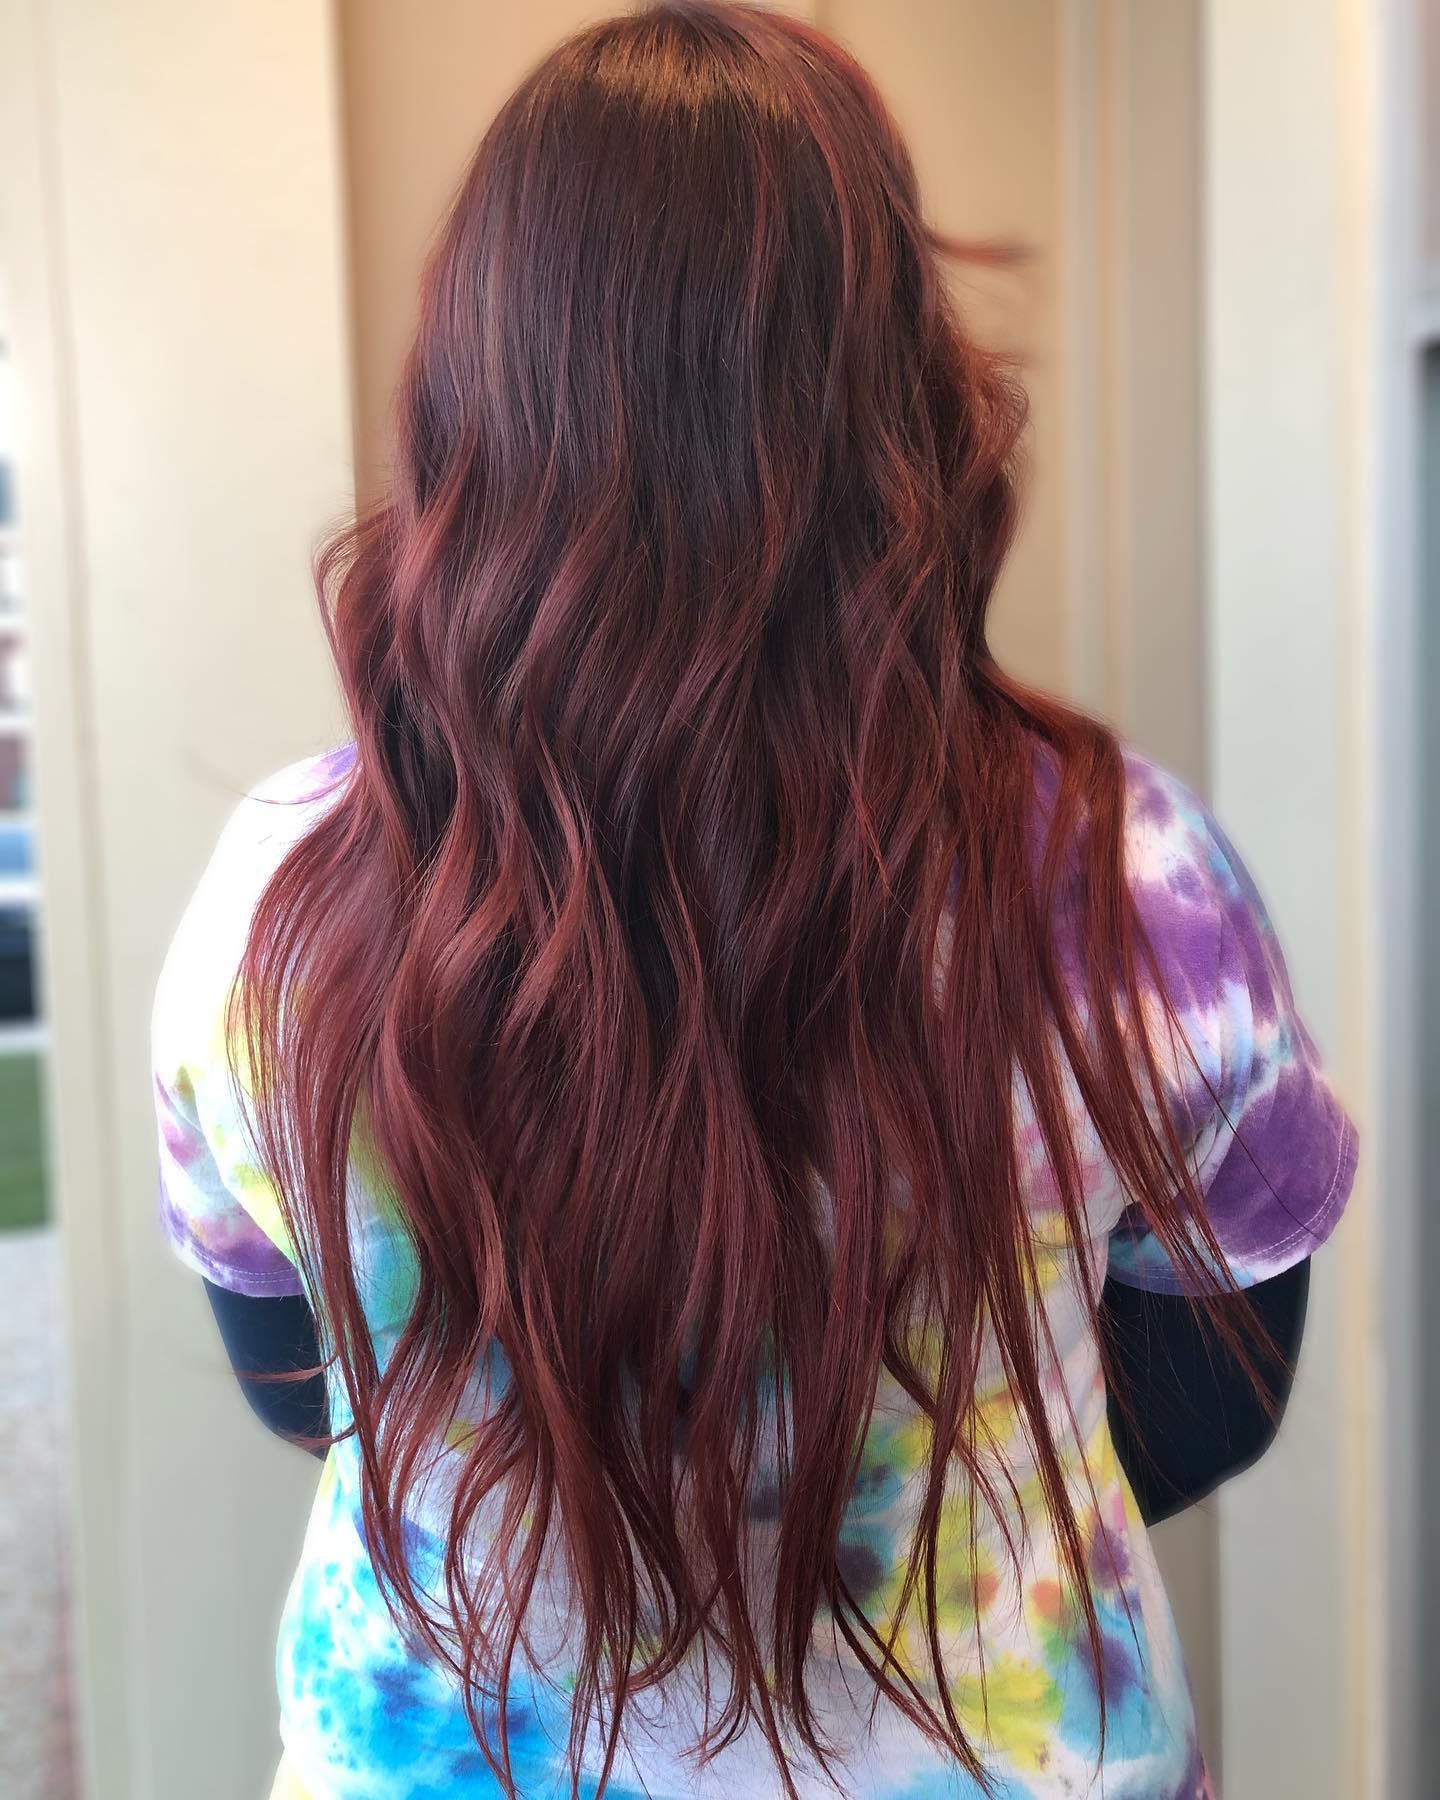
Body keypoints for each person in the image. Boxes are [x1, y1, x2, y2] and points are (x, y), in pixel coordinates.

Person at [152, 6, 1357, 1796]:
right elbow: (1214, 1397)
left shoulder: (279, 897)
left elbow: (295, 1371)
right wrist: (921, 1492)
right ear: (903, 403)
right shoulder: (1135, 883)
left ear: (471, 399)